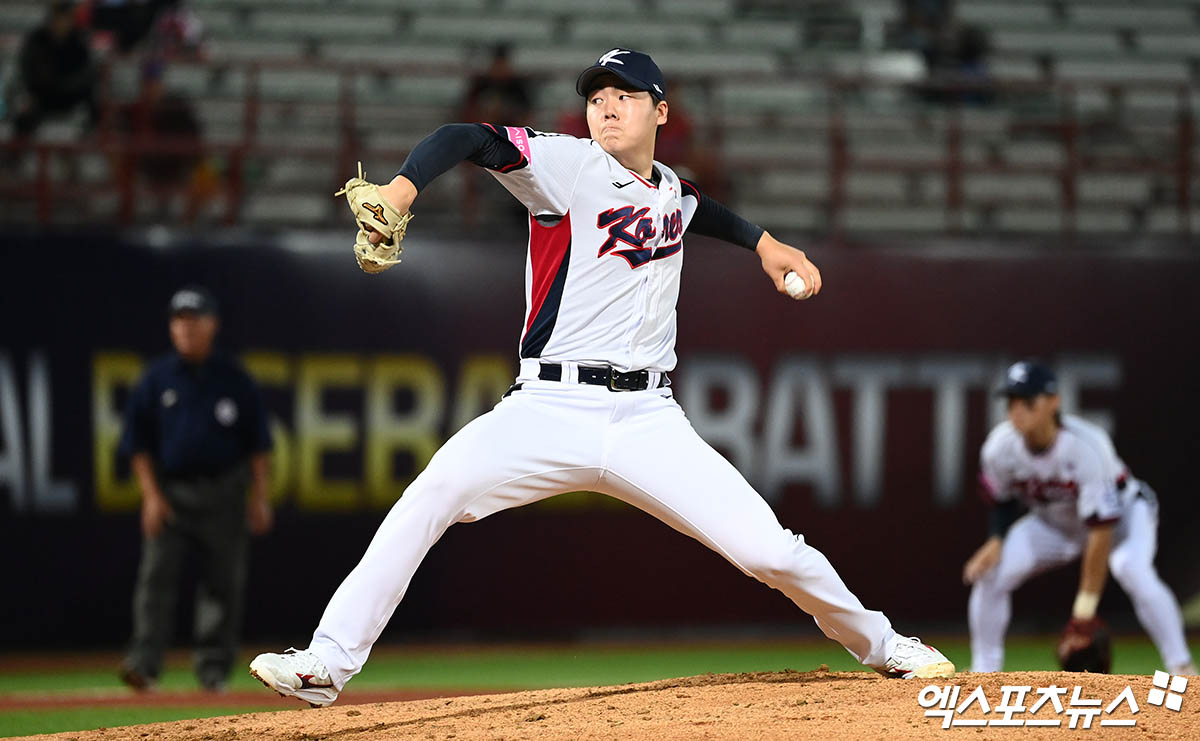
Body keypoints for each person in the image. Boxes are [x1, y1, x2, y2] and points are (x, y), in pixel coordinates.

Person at [248, 48, 954, 708]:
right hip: (547, 407)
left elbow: (695, 207)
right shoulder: (564, 166)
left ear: (662, 112)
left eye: (625, 96)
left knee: (768, 549)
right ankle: (326, 662)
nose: (607, 108)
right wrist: (401, 190)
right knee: (432, 491)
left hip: (649, 420)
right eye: (597, 98)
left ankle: (887, 645)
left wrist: (765, 244)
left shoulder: (669, 189)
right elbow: (465, 136)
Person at [964, 360, 1197, 675]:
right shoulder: (999, 448)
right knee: (990, 574)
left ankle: (1181, 667)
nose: (1018, 410)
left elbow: (1100, 532)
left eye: (1028, 401)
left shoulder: (1086, 445)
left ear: (1054, 403)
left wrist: (1083, 611)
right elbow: (1002, 500)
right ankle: (984, 672)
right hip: (1055, 522)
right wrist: (996, 539)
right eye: (1012, 402)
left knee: (1131, 569)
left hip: (1124, 515)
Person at [118, 286, 274, 692]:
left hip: (224, 492)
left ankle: (213, 671)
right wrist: (151, 497)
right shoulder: (156, 379)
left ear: (212, 324)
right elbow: (138, 446)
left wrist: (259, 497)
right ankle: (144, 665)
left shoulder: (234, 378)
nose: (186, 328)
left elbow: (258, 445)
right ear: (171, 327)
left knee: (222, 585)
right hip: (172, 494)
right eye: (179, 320)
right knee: (155, 581)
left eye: (194, 319)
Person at [12, 1, 99, 137]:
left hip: (71, 94)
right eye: (58, 18)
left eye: (65, 19)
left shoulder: (78, 41)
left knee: (94, 103)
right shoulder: (37, 40)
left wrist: (68, 84)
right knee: (23, 110)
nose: (61, 23)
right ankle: (18, 153)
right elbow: (30, 72)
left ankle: (85, 148)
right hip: (42, 95)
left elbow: (87, 73)